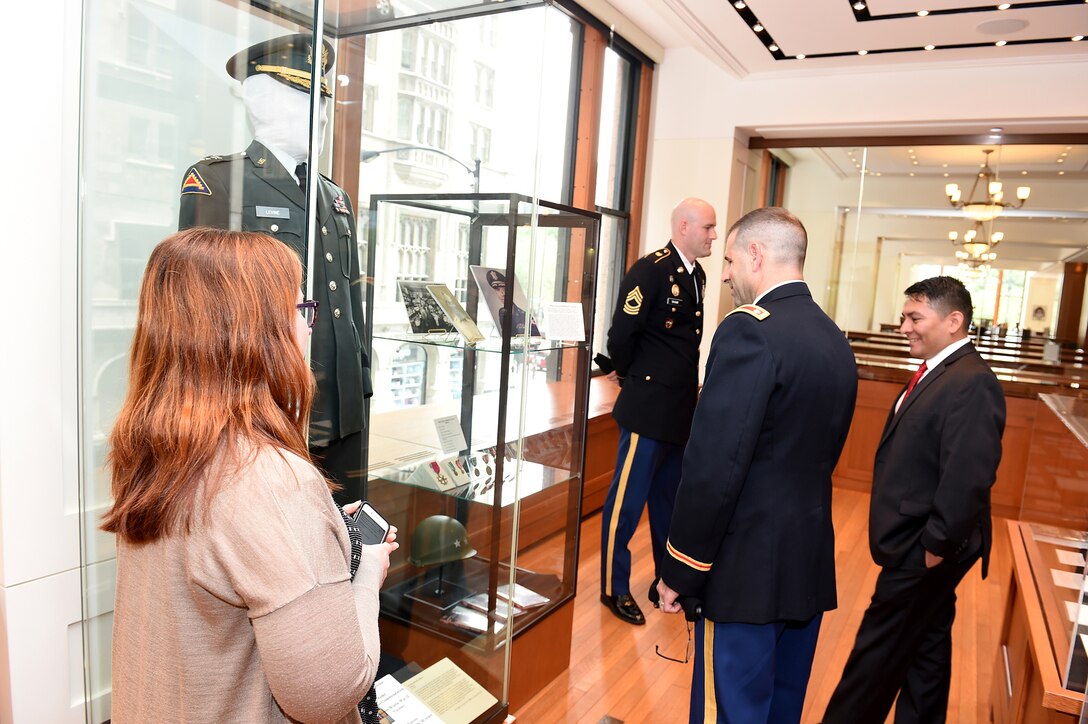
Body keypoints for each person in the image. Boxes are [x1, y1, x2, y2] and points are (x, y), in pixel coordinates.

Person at [103, 228, 398, 723]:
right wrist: (367, 574)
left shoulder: (154, 450)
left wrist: (318, 539)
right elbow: (327, 693)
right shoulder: (271, 480)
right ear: (258, 333)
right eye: (300, 309)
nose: (308, 328)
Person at [655, 207, 857, 722]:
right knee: (782, 708)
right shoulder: (833, 338)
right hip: (805, 560)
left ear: (756, 256)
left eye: (728, 260)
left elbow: (713, 466)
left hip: (745, 570)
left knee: (733, 710)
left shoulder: (749, 331)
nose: (723, 273)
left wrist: (680, 569)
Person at [178, 33, 371, 505]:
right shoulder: (219, 183)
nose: (321, 117)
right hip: (266, 405)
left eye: (323, 103)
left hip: (344, 407)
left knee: (349, 537)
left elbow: (350, 302)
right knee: (279, 551)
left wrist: (361, 382)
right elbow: (202, 315)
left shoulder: (334, 197)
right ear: (261, 101)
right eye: (303, 100)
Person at [823, 276, 1006, 724]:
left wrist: (934, 548)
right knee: (926, 648)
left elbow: (968, 476)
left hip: (924, 547)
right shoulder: (940, 372)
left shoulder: (972, 382)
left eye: (915, 317)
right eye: (905, 316)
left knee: (874, 655)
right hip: (919, 541)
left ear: (954, 321)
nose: (903, 326)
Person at [598, 197, 716, 625]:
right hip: (648, 410)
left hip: (678, 412)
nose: (713, 236)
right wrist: (632, 380)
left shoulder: (696, 274)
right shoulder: (650, 270)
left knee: (670, 504)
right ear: (683, 225)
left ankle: (667, 580)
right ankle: (613, 587)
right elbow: (621, 337)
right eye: (707, 227)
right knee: (625, 507)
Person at [485, 269, 540, 336]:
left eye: (504, 289)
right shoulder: (502, 312)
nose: (503, 293)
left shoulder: (524, 315)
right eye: (498, 289)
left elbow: (535, 336)